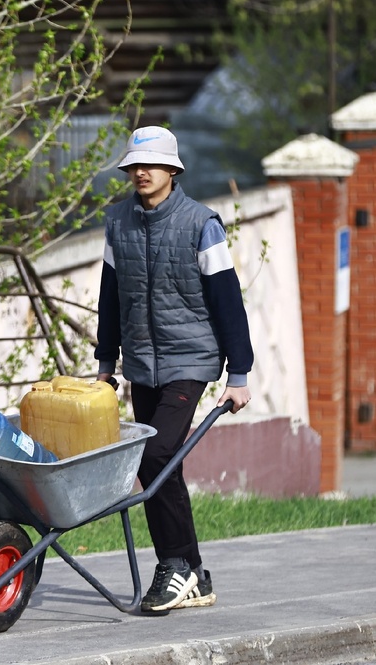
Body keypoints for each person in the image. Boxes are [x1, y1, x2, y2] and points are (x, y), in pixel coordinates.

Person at [95, 125, 254, 613]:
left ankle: (177, 567)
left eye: (152, 164)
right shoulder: (117, 223)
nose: (141, 172)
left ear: (172, 169)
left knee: (156, 452)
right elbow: (109, 299)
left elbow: (227, 300)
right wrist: (106, 363)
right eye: (134, 166)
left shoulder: (200, 223)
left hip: (192, 360)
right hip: (142, 363)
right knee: (162, 466)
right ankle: (192, 574)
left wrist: (239, 374)